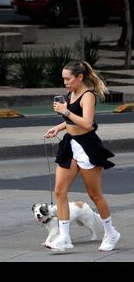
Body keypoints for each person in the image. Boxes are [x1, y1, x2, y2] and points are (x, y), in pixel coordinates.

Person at [44, 61, 120, 252]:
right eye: (63, 79)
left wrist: (65, 111)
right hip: (70, 144)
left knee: (94, 194)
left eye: (68, 78)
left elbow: (87, 123)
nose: (65, 82)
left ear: (79, 77)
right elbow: (71, 119)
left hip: (87, 146)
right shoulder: (72, 93)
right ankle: (64, 237)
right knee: (60, 191)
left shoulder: (88, 96)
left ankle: (111, 233)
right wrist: (59, 126)